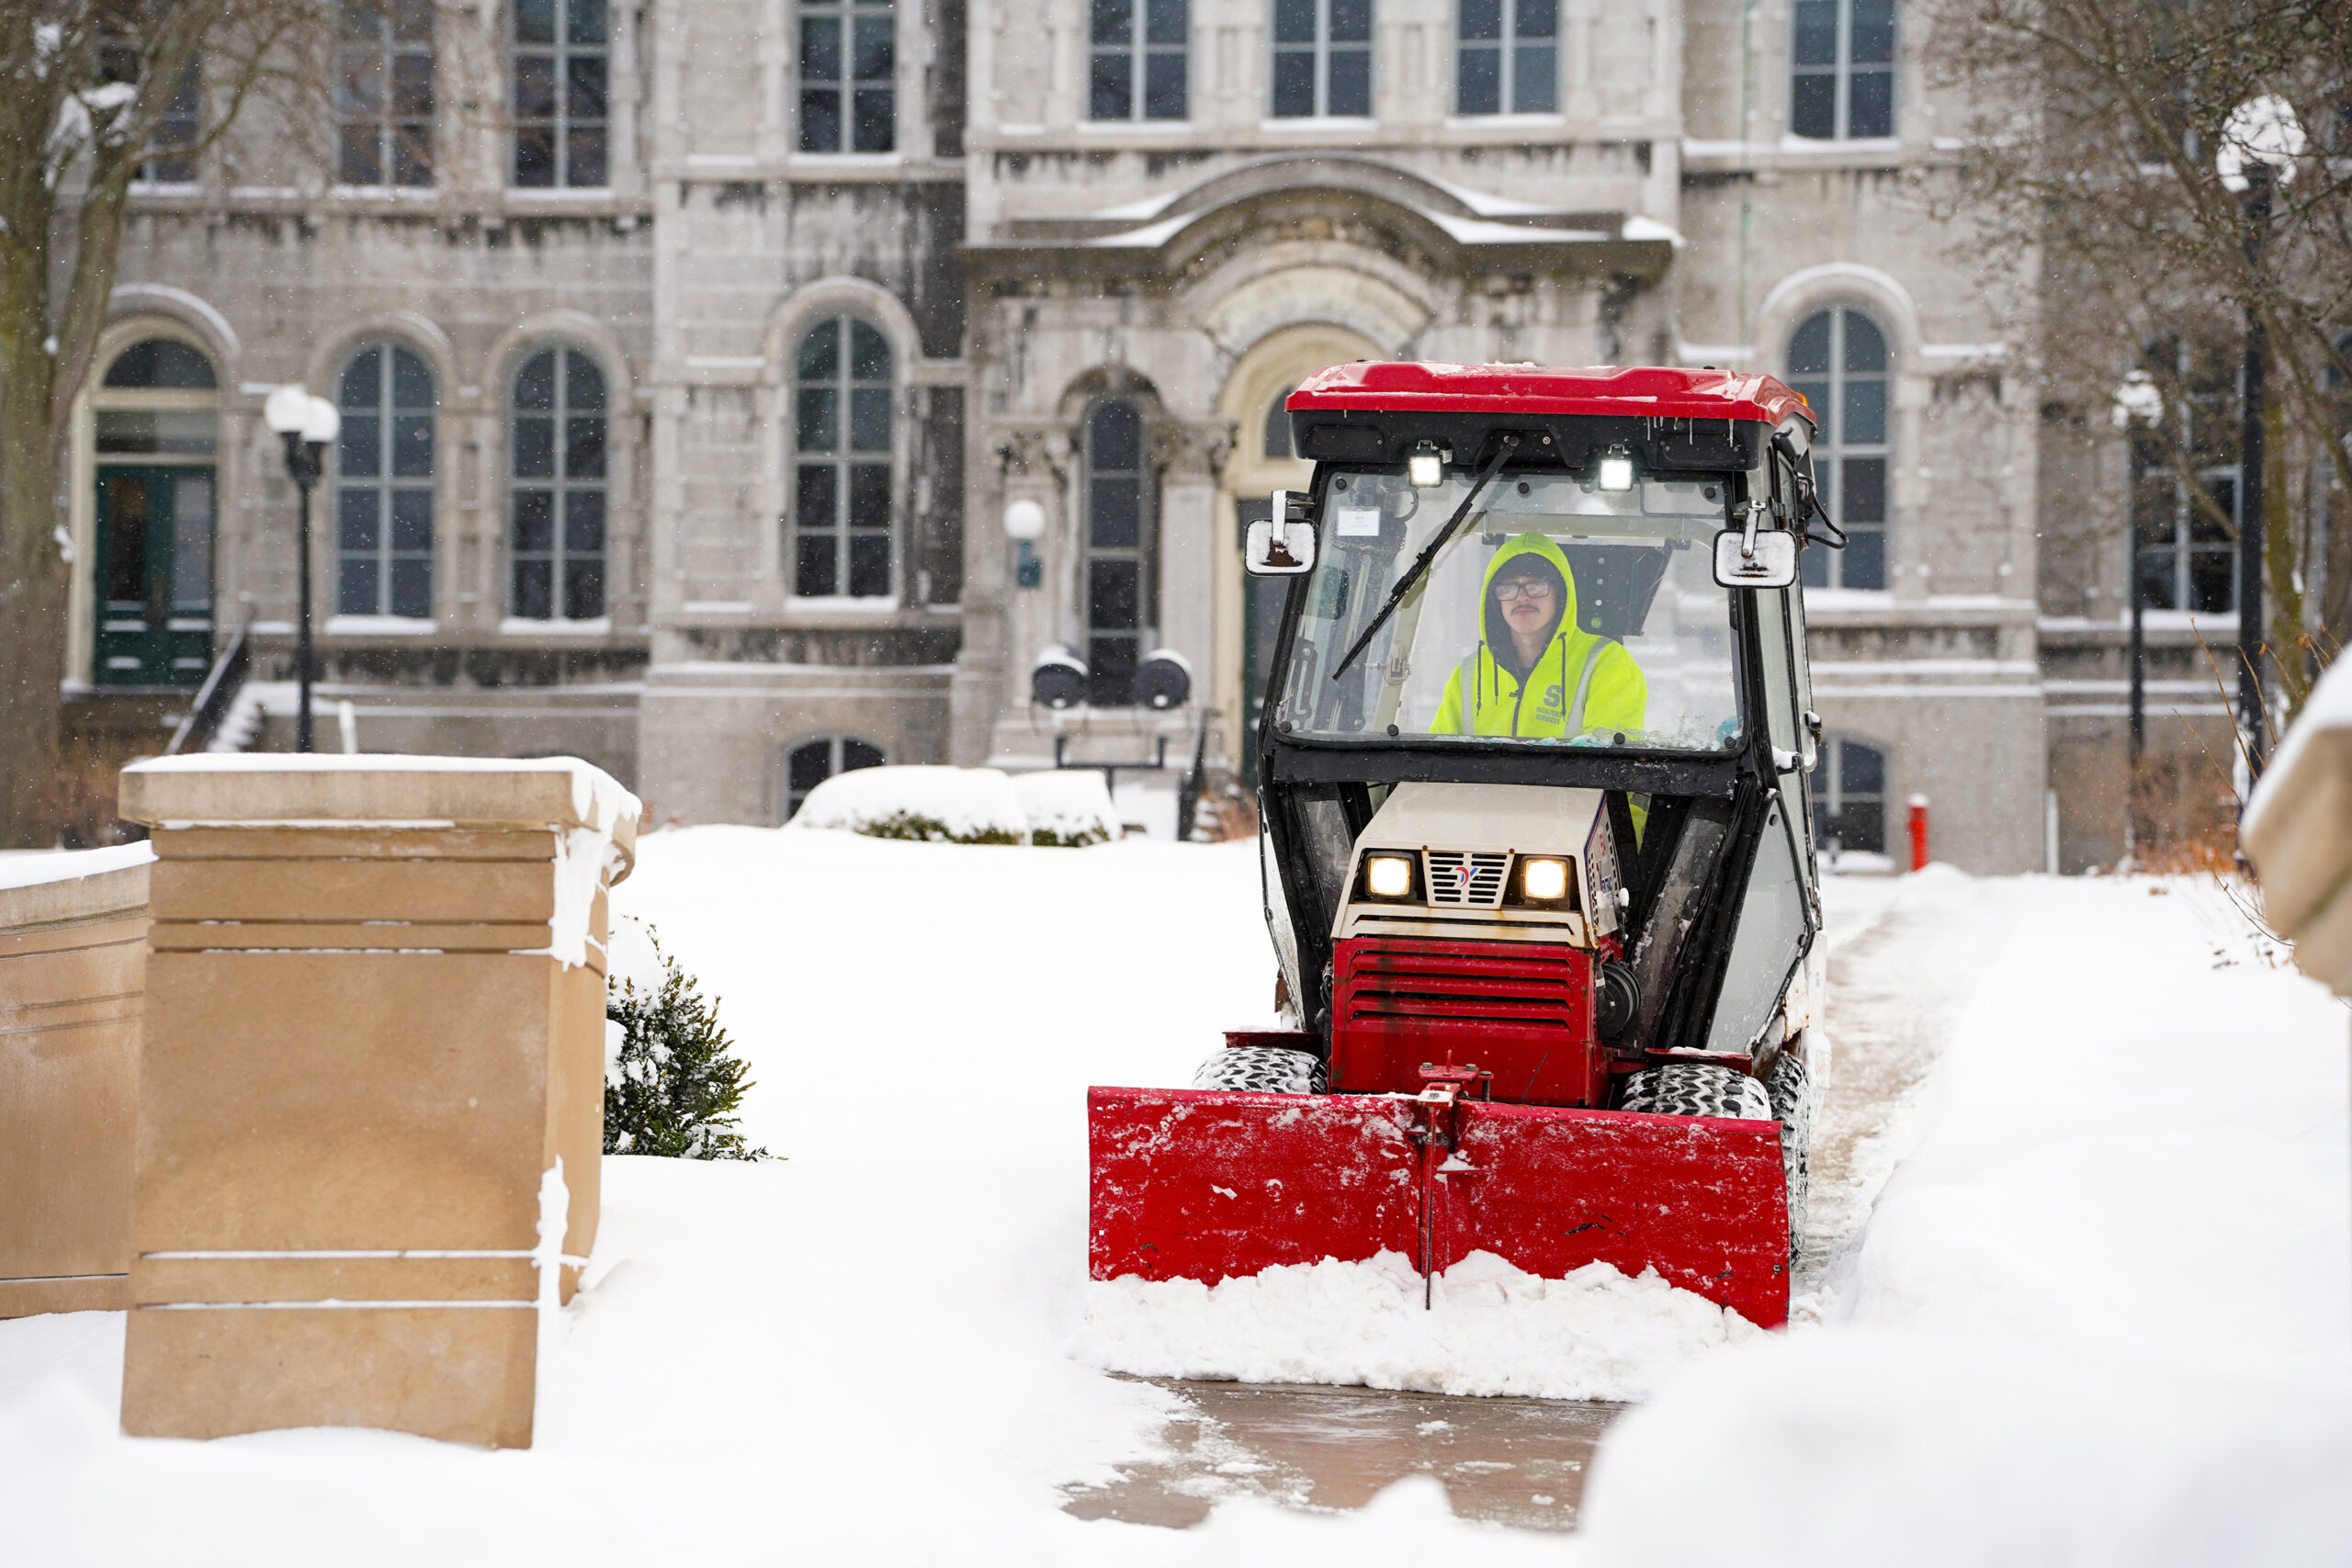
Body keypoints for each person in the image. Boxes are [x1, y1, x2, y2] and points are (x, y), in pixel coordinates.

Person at [1430, 532, 1646, 740]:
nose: (1521, 597)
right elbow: (1434, 761)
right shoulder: (1468, 676)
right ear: (1495, 600)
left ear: (1559, 594)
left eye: (1535, 585)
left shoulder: (1607, 664)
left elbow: (1609, 767)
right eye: (1508, 587)